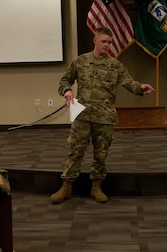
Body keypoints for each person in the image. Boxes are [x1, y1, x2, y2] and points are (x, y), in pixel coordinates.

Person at [51, 27, 155, 204]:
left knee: (101, 153)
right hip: (82, 115)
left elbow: (128, 82)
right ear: (95, 41)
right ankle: (66, 186)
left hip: (104, 117)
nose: (107, 45)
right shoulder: (81, 62)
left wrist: (140, 88)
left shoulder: (115, 65)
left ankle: (96, 187)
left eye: (109, 42)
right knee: (76, 151)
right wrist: (67, 90)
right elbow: (64, 80)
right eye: (104, 41)